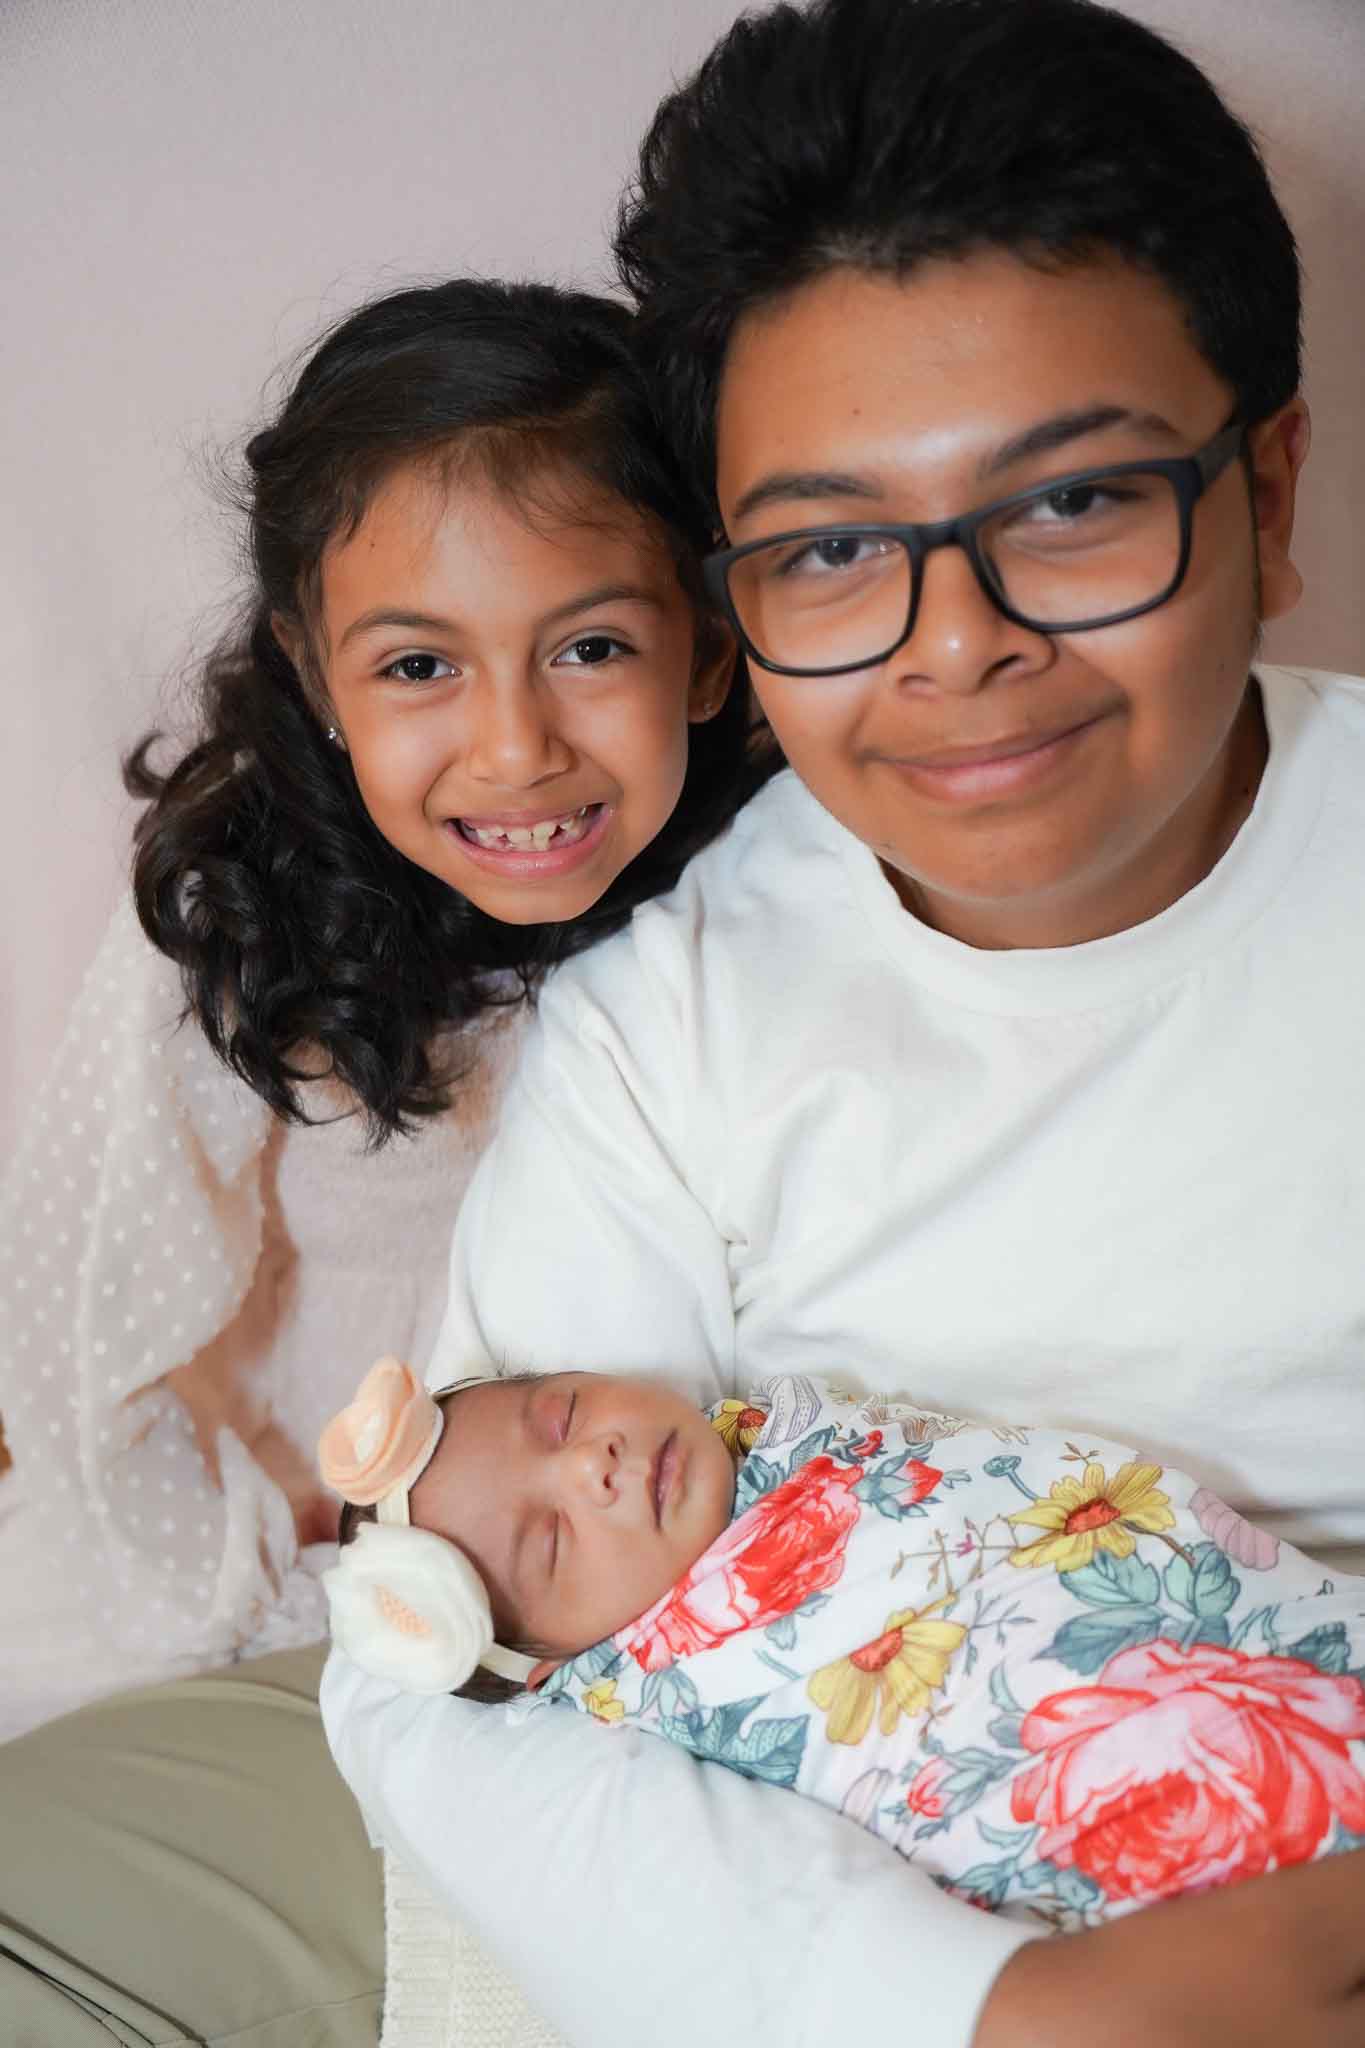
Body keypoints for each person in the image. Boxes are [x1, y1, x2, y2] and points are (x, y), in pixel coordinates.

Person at [323, 3, 1365, 2046]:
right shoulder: (672, 1029)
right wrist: (998, 2008)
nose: (954, 649)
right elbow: (434, 1682)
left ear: (1266, 479)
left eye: (1069, 508)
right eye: (826, 554)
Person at [0, 276, 767, 2037]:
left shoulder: (766, 894)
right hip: (253, 1539)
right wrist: (274, 1572)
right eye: (419, 663)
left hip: (609, 1528)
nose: (517, 748)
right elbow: (77, 1330)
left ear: (710, 645)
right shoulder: (244, 922)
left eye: (591, 644)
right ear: (311, 671)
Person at [319, 1359, 1365, 1926]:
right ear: (547, 1661)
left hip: (1250, 1621)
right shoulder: (652, 1691)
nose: (592, 1461)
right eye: (549, 1542)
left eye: (561, 1413)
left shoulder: (793, 1428)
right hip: (1160, 1813)